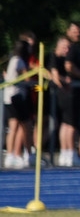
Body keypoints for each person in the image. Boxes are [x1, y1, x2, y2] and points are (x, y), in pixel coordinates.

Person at [51, 25, 80, 166]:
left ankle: (66, 154)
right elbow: (68, 67)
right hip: (71, 93)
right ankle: (70, 153)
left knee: (66, 124)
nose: (66, 49)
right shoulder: (71, 50)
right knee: (71, 125)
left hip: (68, 92)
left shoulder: (61, 55)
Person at [3, 39, 33, 168]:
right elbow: (27, 78)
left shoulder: (12, 60)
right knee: (26, 126)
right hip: (16, 97)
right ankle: (28, 154)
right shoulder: (19, 61)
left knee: (13, 126)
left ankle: (11, 155)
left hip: (8, 97)